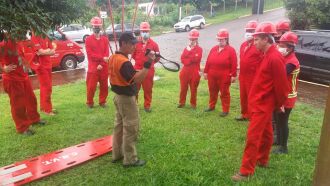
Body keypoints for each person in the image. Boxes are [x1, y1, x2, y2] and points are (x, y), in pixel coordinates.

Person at [231, 22, 289, 181]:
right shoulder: (266, 55)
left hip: (263, 104)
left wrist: (279, 104)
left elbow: (282, 85)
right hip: (259, 102)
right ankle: (263, 160)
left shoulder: (275, 58)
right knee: (267, 132)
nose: (254, 42)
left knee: (253, 136)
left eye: (257, 39)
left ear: (266, 39)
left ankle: (246, 171)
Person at [108, 32, 155, 167]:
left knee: (119, 126)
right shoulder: (124, 62)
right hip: (126, 99)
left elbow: (128, 75)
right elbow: (137, 79)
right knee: (131, 128)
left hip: (117, 97)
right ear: (124, 43)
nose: (134, 46)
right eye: (132, 44)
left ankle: (117, 154)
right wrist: (148, 63)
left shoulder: (113, 57)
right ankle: (130, 159)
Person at [0, 37, 46, 136]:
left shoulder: (18, 42)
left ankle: (34, 119)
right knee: (18, 105)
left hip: (23, 77)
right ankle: (22, 127)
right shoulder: (3, 44)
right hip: (12, 79)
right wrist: (3, 69)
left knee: (31, 99)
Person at [273, 32, 300, 154]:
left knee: (283, 121)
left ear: (290, 47)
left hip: (288, 96)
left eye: (282, 45)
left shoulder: (292, 62)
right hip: (281, 94)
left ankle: (284, 147)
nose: (280, 47)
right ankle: (278, 140)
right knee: (277, 119)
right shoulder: (285, 57)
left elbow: (279, 75)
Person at [203, 29, 237, 117]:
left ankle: (225, 110)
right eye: (219, 39)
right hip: (212, 74)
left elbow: (234, 63)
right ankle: (211, 106)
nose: (220, 41)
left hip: (224, 75)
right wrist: (206, 72)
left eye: (222, 39)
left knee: (224, 93)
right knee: (212, 91)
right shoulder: (214, 48)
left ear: (226, 39)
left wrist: (233, 75)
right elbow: (208, 61)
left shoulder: (231, 50)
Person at [236, 20, 263, 121]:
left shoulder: (258, 46)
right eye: (247, 30)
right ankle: (244, 114)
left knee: (252, 97)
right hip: (243, 75)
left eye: (251, 31)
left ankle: (252, 116)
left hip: (253, 76)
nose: (248, 33)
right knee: (243, 96)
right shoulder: (243, 45)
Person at [132, 22, 160, 113]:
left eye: (146, 31)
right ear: (140, 32)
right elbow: (133, 55)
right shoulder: (136, 44)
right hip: (137, 70)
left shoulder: (154, 44)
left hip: (149, 71)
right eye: (143, 31)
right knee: (135, 88)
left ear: (149, 32)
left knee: (148, 89)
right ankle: (134, 105)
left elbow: (157, 58)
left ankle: (147, 105)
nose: (145, 33)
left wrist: (150, 63)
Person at [85, 16, 110, 108]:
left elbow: (106, 54)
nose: (96, 28)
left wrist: (102, 63)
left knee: (104, 86)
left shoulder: (105, 39)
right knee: (91, 86)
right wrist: (101, 59)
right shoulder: (88, 40)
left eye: (98, 26)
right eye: (95, 26)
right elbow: (90, 55)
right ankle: (90, 102)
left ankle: (102, 102)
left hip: (103, 66)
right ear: (92, 27)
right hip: (93, 67)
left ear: (101, 27)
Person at [31, 32, 56, 115]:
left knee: (45, 87)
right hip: (41, 66)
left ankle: (43, 107)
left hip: (48, 65)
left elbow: (53, 52)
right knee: (47, 87)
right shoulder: (34, 36)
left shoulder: (45, 36)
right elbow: (41, 52)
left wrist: (45, 51)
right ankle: (47, 109)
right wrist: (47, 50)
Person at [178, 29, 203, 109]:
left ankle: (193, 104)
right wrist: (190, 54)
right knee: (183, 88)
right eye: (191, 39)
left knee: (193, 88)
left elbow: (196, 59)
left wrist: (188, 56)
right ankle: (181, 102)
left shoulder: (199, 49)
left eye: (194, 39)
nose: (192, 40)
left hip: (195, 71)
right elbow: (182, 59)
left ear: (197, 39)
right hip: (185, 71)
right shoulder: (186, 48)